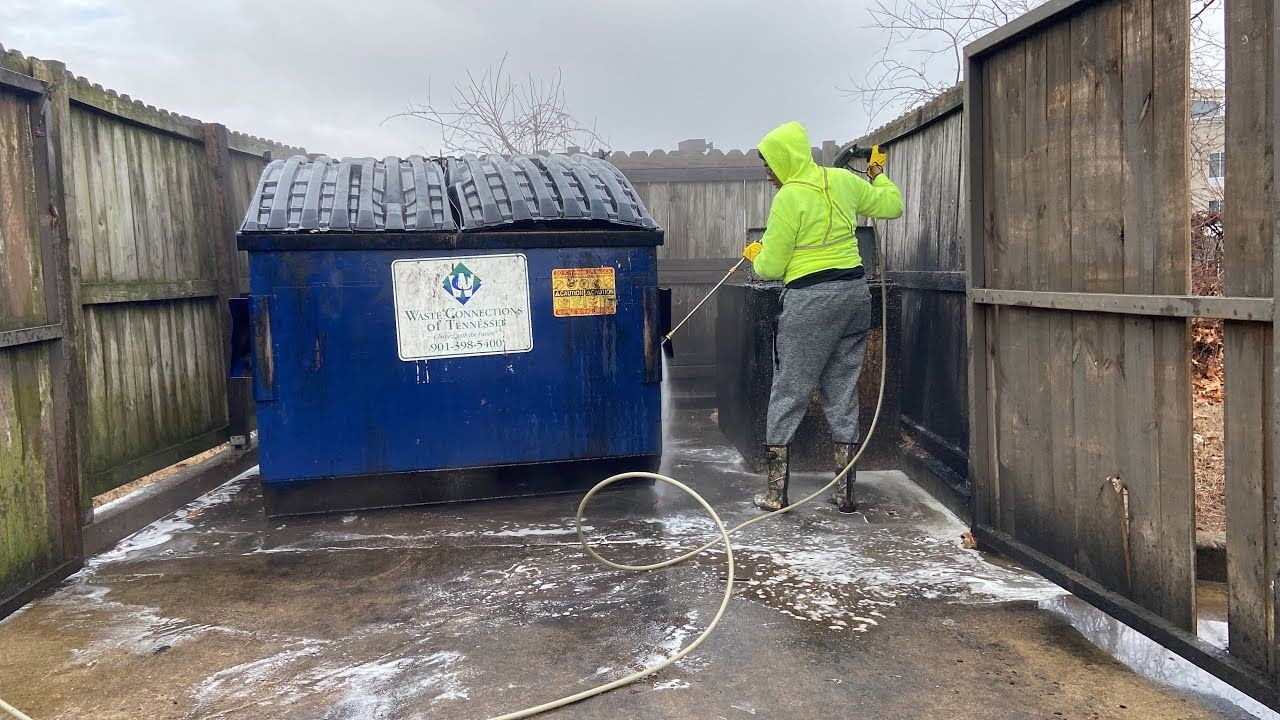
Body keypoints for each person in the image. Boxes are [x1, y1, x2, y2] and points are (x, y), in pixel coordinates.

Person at [743, 121, 903, 513]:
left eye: (770, 166)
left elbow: (772, 266)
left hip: (811, 302)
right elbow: (892, 206)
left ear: (784, 160)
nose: (768, 175)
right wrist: (878, 175)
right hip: (854, 298)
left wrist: (755, 255)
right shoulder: (843, 182)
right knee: (842, 390)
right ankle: (845, 494)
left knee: (790, 391)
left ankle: (776, 493)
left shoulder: (788, 198)